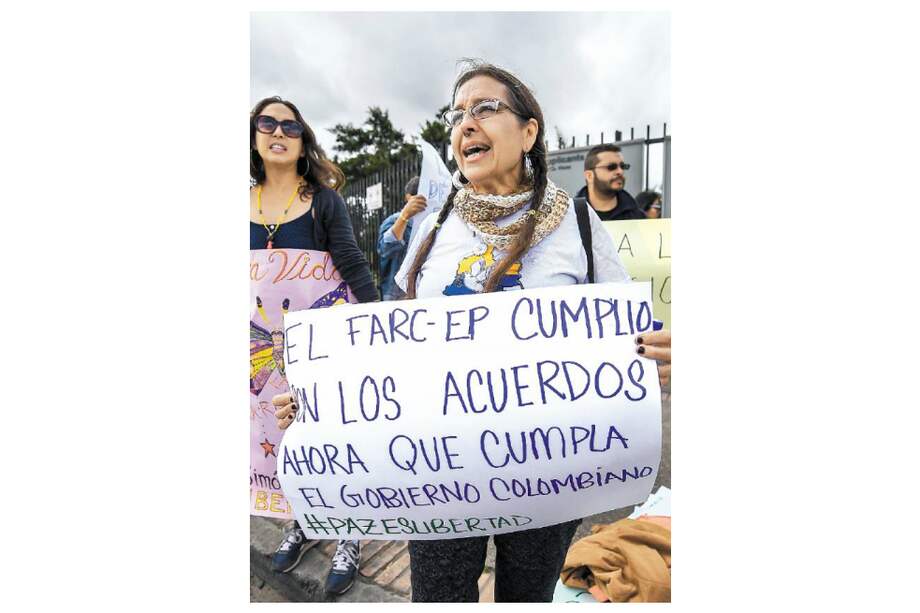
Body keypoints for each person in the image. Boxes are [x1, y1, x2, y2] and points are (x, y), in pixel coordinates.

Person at [273, 61, 671, 602]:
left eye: (486, 108)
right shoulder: (434, 229)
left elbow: (631, 336)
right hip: (438, 472)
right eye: (457, 114)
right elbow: (385, 343)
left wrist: (657, 355)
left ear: (529, 132)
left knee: (525, 596)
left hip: (549, 464)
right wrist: (319, 400)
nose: (465, 123)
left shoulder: (579, 225)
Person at [250, 95, 375, 595]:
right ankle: (301, 521)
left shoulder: (323, 199)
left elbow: (350, 259)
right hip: (259, 348)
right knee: (281, 438)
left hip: (324, 343)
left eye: (290, 125)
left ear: (303, 141)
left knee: (331, 434)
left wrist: (379, 323)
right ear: (254, 136)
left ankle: (350, 532)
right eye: (267, 122)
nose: (278, 131)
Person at [376, 176, 427, 300]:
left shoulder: (433, 222)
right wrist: (405, 216)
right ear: (409, 197)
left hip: (422, 291)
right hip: (397, 295)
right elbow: (385, 249)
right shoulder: (395, 220)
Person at [575, 144, 647, 221]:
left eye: (622, 166)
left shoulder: (638, 217)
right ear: (589, 175)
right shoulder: (570, 216)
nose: (620, 171)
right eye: (611, 167)